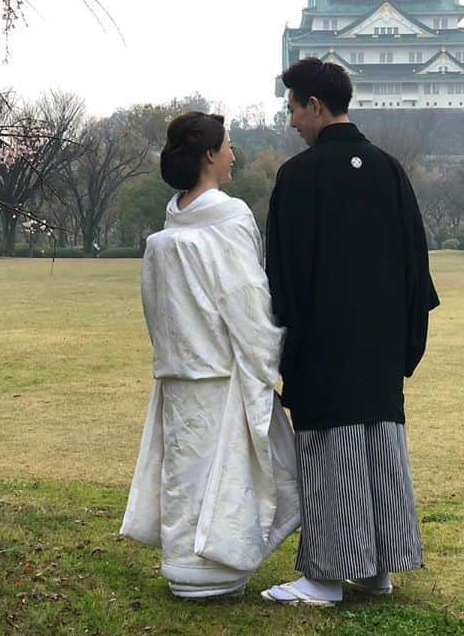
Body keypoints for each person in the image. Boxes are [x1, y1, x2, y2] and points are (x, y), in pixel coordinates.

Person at [261, 58, 440, 606]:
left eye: (293, 108)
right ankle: (378, 568)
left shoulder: (297, 178)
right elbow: (417, 262)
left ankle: (323, 578)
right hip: (382, 342)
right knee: (379, 447)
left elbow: (282, 275)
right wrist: (404, 341)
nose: (290, 120)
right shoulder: (388, 169)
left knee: (329, 452)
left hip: (323, 344)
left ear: (315, 105)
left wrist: (285, 345)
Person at [120, 111, 300, 599]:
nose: (233, 155)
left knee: (186, 468)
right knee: (225, 469)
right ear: (209, 155)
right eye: (228, 146)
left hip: (179, 372)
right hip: (220, 372)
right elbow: (246, 299)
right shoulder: (230, 216)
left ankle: (184, 564)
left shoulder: (168, 230)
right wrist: (268, 356)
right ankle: (214, 568)